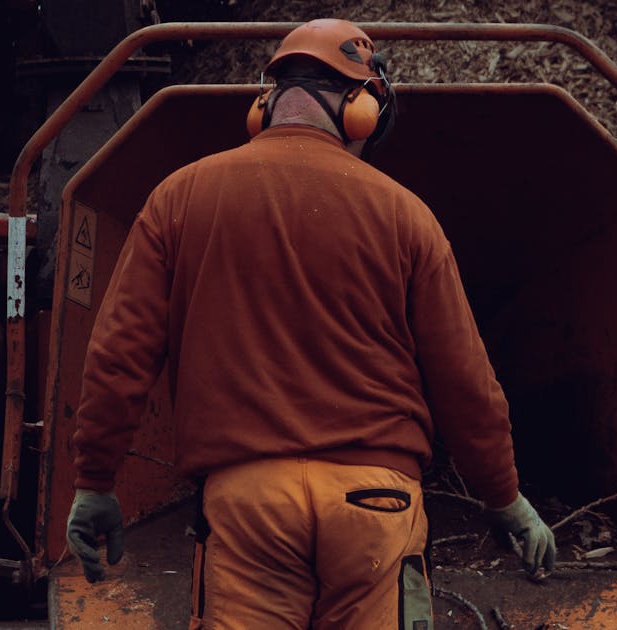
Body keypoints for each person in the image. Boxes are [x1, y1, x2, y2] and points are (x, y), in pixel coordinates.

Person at [65, 18, 556, 629]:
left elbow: (119, 354)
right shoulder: (407, 215)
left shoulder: (179, 196)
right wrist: (504, 498)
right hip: (377, 504)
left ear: (264, 104)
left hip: (249, 506)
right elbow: (465, 380)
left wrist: (95, 481)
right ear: (362, 110)